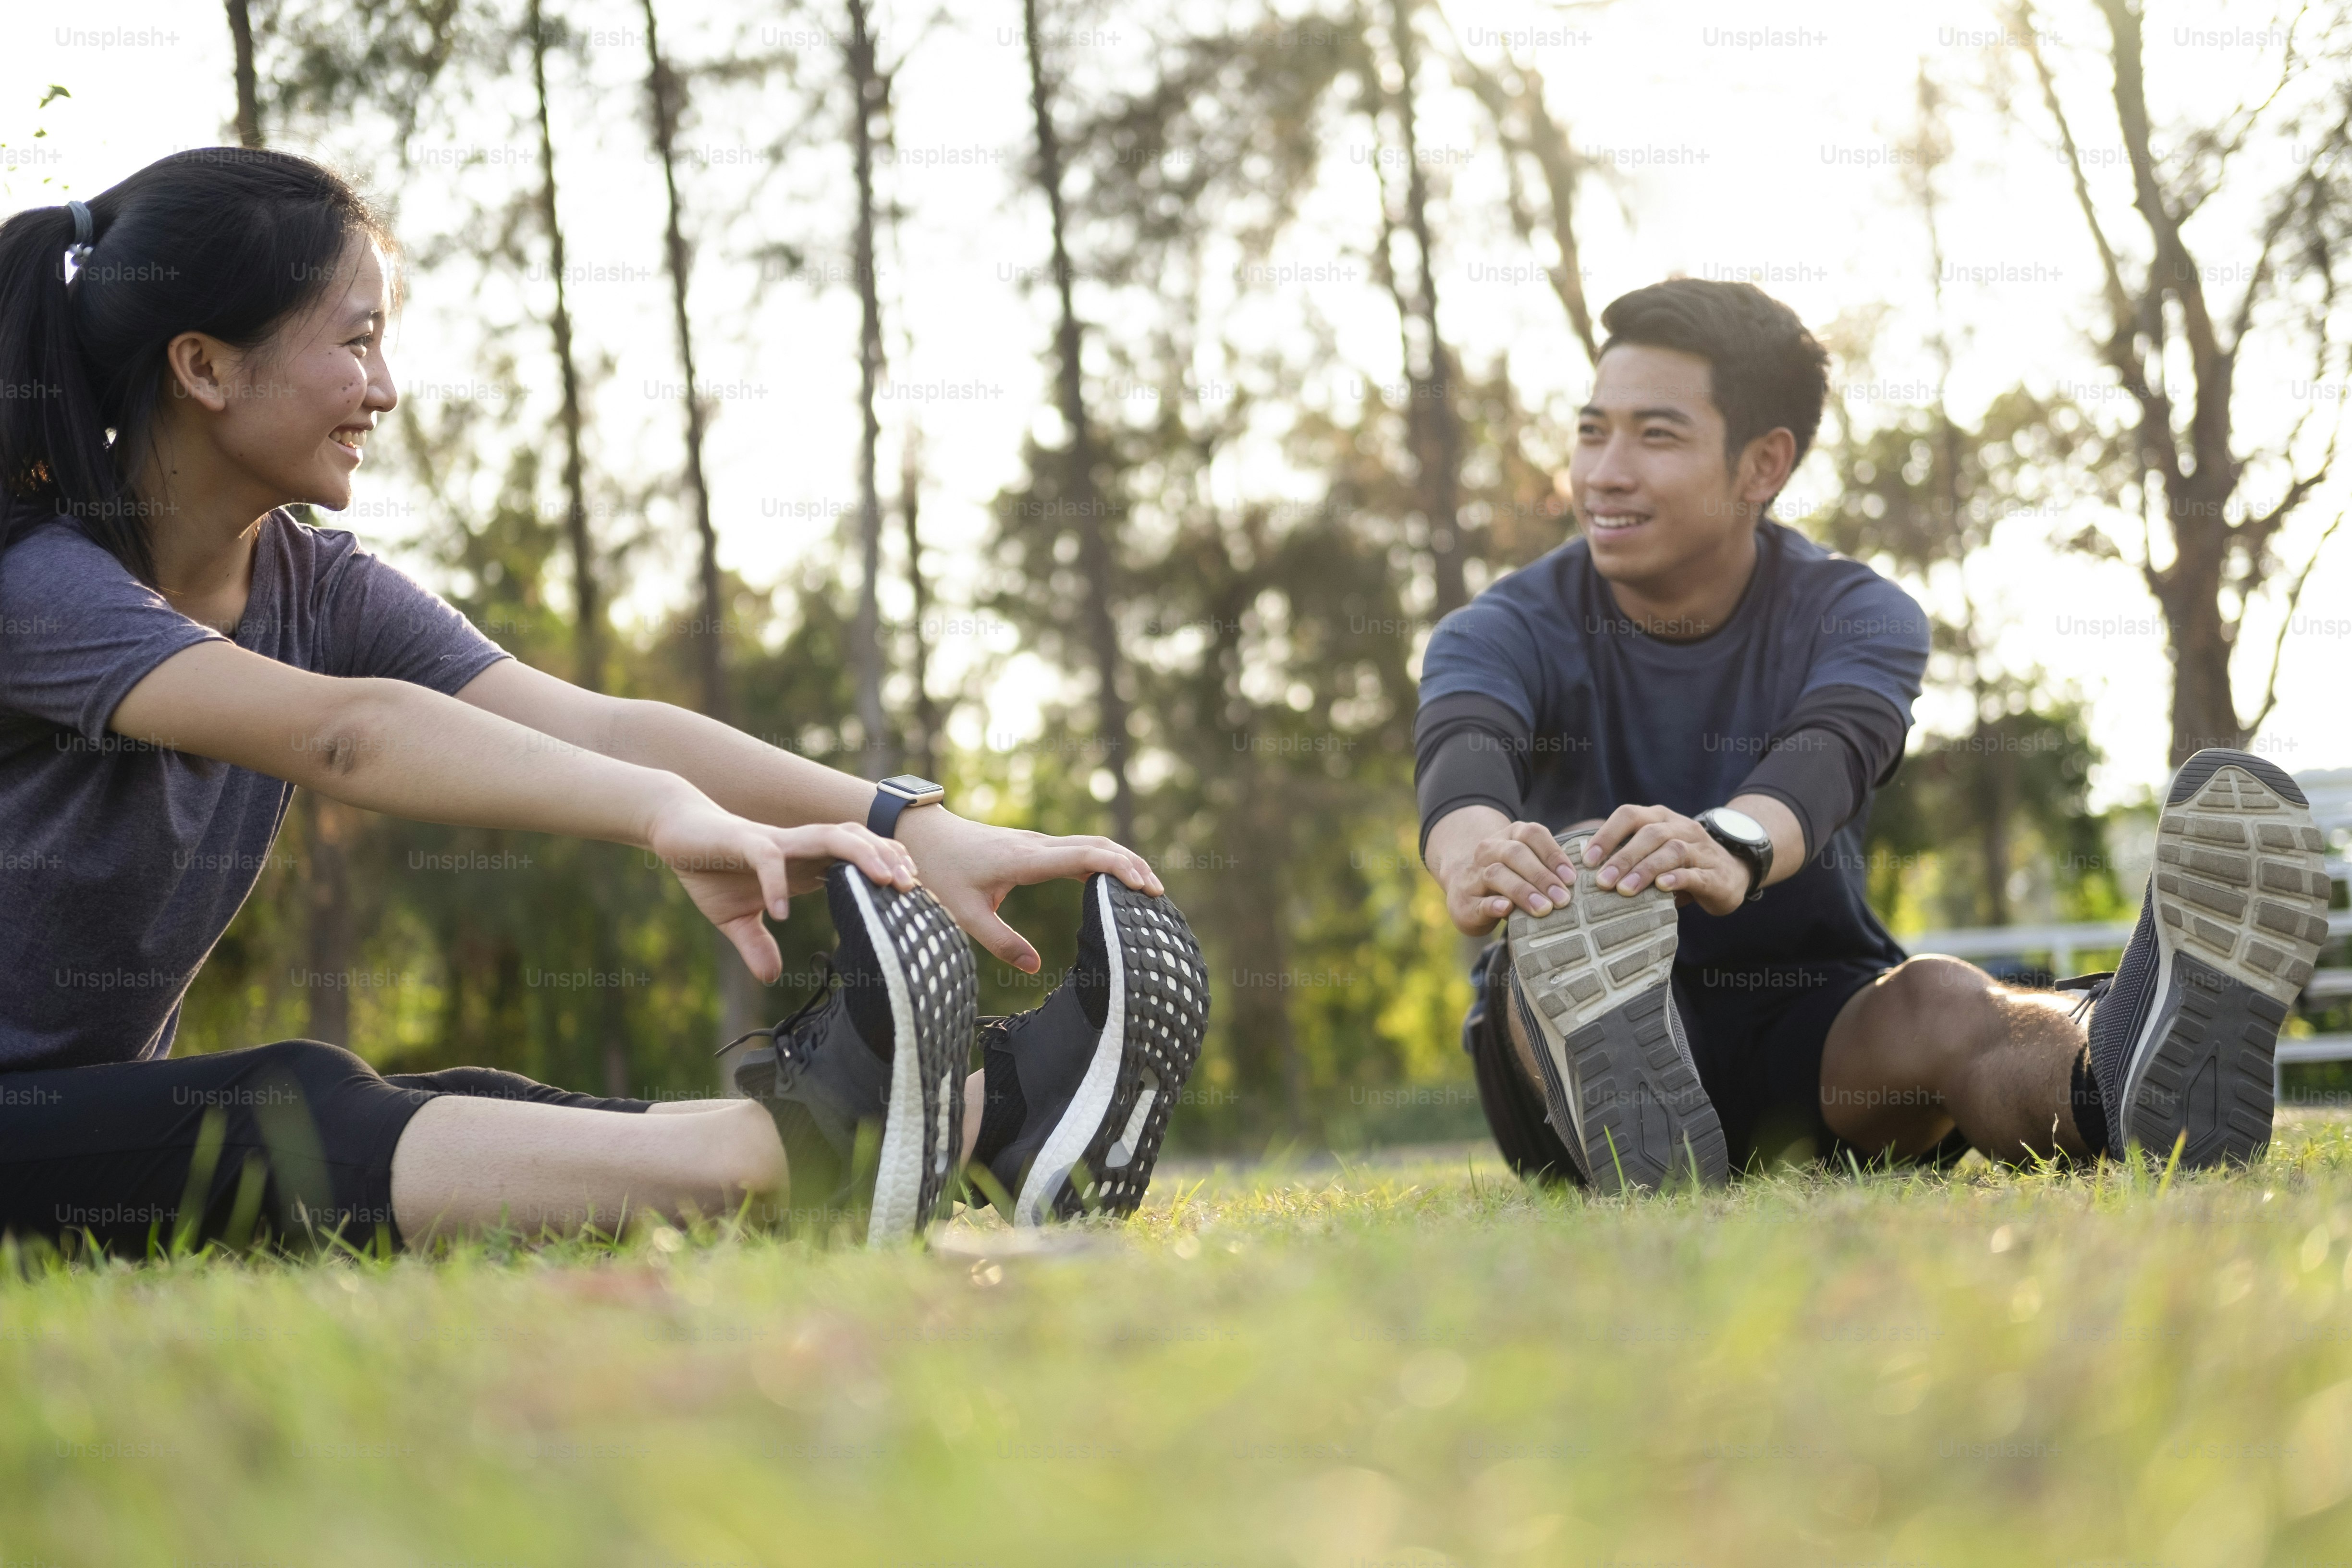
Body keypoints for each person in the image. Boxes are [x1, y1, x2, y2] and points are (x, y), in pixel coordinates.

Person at [0, 147, 1209, 1256]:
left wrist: (913, 828)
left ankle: (985, 1133)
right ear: (205, 365)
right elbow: (346, 735)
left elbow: (598, 724)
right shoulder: (38, 585)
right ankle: (813, 1159)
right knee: (283, 1108)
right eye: (356, 342)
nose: (387, 389)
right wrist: (658, 817)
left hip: (66, 1121)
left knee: (461, 1108)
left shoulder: (316, 586)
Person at [1416, 278, 2331, 1193]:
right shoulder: (1501, 628)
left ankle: (2118, 1078)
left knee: (1943, 1002)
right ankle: (1608, 1087)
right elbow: (1467, 747)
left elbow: (1832, 751)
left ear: (1762, 466)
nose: (1604, 471)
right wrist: (1473, 855)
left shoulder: (1859, 613)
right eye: (1592, 430)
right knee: (1578, 873)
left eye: (1656, 435)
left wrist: (1732, 844)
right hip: (1554, 1046)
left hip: (1810, 1020)